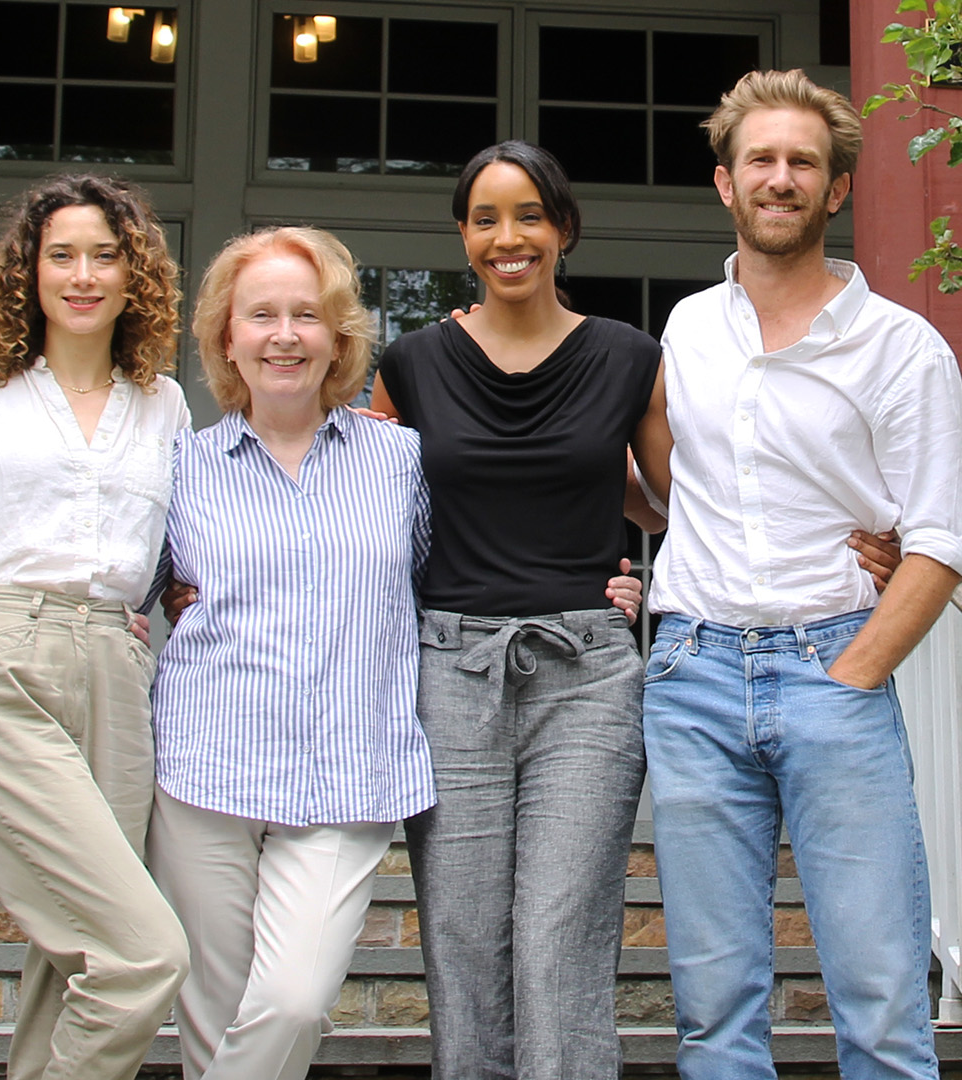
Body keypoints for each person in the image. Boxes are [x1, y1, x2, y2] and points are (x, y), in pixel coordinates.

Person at [641, 68, 962, 1079]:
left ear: (834, 191)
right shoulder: (688, 330)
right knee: (713, 1009)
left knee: (878, 1004)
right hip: (692, 675)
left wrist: (856, 672)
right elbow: (666, 489)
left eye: (802, 163)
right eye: (761, 160)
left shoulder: (899, 347)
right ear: (725, 185)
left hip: (834, 663)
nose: (779, 178)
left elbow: (942, 541)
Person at [369, 141, 671, 1080]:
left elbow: (679, 508)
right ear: (464, 237)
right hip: (449, 669)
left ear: (563, 229)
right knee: (461, 938)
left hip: (585, 671)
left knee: (558, 935)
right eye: (488, 219)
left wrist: (643, 586)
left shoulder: (628, 356)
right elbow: (357, 511)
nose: (511, 238)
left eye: (530, 215)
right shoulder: (411, 363)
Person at [0, 173, 191, 1080]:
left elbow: (183, 546)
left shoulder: (167, 404)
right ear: (26, 272)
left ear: (132, 274)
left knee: (77, 950)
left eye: (104, 256)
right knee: (143, 954)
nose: (82, 275)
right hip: (3, 657)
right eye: (60, 255)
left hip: (119, 663)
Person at [144, 226, 434, 1080]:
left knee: (294, 1001)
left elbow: (467, 572)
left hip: (350, 771)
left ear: (338, 335)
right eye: (260, 314)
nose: (283, 335)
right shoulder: (182, 469)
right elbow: (120, 583)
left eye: (306, 315)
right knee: (215, 1015)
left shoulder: (401, 461)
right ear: (226, 337)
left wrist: (601, 582)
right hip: (205, 769)